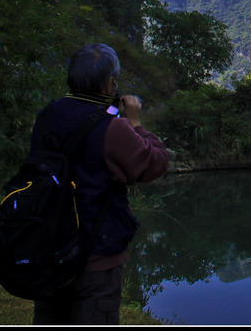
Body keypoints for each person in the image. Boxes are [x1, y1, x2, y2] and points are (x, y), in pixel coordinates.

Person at [31, 43, 168, 325]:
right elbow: (155, 163)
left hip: (49, 247)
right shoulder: (111, 127)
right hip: (96, 254)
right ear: (109, 84)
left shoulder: (46, 116)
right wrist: (135, 123)